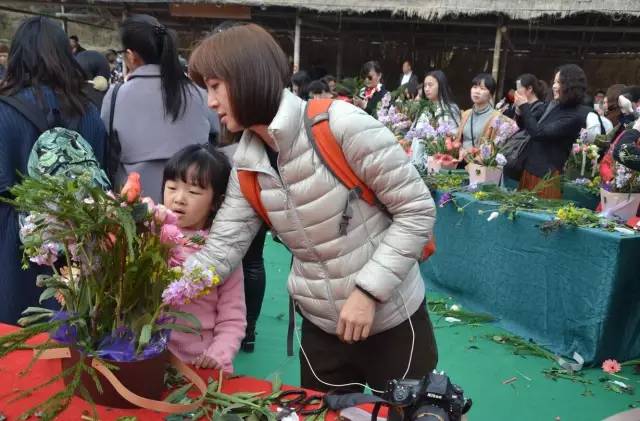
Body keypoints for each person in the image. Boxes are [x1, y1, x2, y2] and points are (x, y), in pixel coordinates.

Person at [187, 23, 438, 393]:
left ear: (246, 76)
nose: (210, 102)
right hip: (322, 328)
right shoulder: (247, 164)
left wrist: (369, 292)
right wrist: (153, 280)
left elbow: (417, 209)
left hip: (392, 319)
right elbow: (220, 252)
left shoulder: (339, 125)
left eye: (214, 87)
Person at [0, 17, 106, 324]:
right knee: (74, 332)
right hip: (77, 243)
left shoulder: (4, 111)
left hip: (15, 248)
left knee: (18, 346)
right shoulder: (88, 112)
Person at [101, 14, 213, 202]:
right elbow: (214, 141)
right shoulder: (198, 93)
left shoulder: (116, 95)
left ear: (131, 56)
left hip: (135, 209)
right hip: (192, 206)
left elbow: (108, 146)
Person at [163, 144, 246, 372]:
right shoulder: (149, 236)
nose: (179, 199)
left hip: (199, 366)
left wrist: (217, 355)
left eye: (193, 192)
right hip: (151, 361)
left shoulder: (221, 252)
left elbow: (232, 319)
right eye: (172, 187)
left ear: (215, 203)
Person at [514, 64, 588, 199]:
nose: (554, 86)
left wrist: (525, 106)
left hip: (546, 176)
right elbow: (526, 126)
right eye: (554, 82)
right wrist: (519, 110)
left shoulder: (574, 116)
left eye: (559, 82)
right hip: (529, 169)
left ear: (571, 86)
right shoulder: (553, 105)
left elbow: (538, 133)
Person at [455, 73, 508, 149]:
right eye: (475, 87)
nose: (477, 91)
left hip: (479, 160)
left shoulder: (496, 117)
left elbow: (494, 146)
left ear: (490, 95)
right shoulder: (466, 114)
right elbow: (459, 139)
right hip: (460, 159)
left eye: (482, 88)